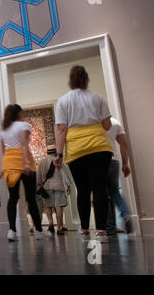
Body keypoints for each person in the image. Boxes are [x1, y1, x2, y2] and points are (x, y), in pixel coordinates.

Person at [54, 65, 113, 243]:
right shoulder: (97, 97)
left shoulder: (63, 101)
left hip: (77, 150)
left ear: (70, 80)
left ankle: (85, 229)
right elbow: (107, 125)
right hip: (99, 147)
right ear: (86, 79)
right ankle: (102, 231)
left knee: (83, 190)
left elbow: (61, 129)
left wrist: (59, 154)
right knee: (100, 188)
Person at [0, 104, 51, 241]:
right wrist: (26, 162)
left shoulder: (4, 130)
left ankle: (11, 231)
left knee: (13, 198)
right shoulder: (23, 126)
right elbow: (23, 143)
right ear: (19, 114)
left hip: (9, 163)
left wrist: (4, 166)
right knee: (31, 199)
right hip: (23, 162)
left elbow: (3, 150)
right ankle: (39, 231)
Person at [37, 145, 74, 235]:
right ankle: (59, 227)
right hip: (58, 186)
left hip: (46, 186)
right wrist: (68, 185)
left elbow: (38, 176)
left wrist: (40, 185)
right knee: (59, 206)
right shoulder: (59, 161)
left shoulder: (42, 162)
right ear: (55, 152)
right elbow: (64, 174)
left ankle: (50, 224)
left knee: (48, 206)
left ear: (47, 152)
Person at [106, 117, 133, 235]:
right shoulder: (115, 122)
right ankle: (126, 213)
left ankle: (109, 227)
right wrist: (125, 163)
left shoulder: (96, 122)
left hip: (101, 160)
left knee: (103, 194)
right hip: (114, 161)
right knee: (114, 192)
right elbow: (124, 144)